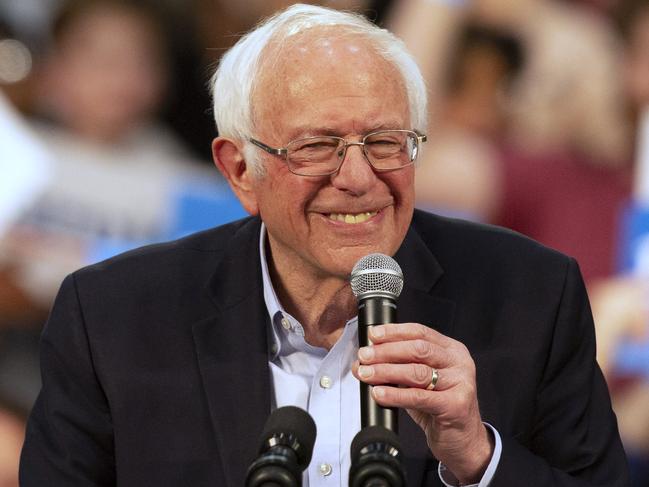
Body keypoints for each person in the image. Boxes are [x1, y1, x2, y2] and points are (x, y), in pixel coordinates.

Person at [20, 4, 628, 486]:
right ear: (239, 171)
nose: (359, 177)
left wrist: (475, 455)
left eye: (387, 141)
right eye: (315, 147)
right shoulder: (112, 316)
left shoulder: (533, 295)